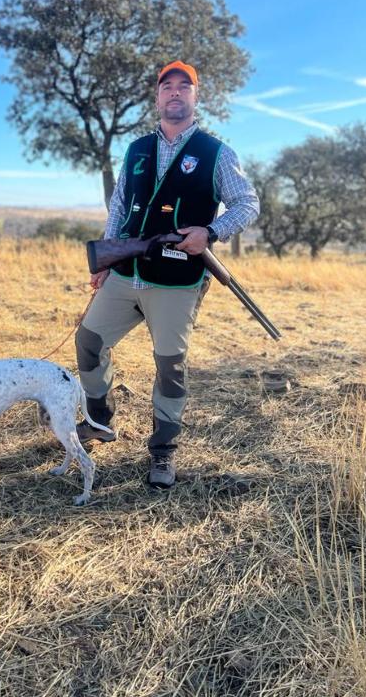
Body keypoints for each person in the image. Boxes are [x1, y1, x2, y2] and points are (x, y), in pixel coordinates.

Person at [75, 61, 259, 488]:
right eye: (166, 87)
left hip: (177, 280)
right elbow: (119, 207)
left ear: (195, 97)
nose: (174, 93)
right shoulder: (137, 148)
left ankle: (162, 452)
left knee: (170, 366)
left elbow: (247, 204)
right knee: (88, 341)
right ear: (157, 97)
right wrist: (105, 260)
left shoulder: (217, 152)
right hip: (127, 271)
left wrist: (211, 231)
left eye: (184, 86)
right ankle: (99, 420)